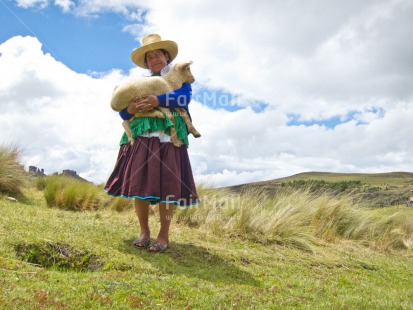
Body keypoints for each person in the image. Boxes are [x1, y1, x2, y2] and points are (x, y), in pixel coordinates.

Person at [104, 34, 199, 252]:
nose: (154, 59)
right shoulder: (139, 84)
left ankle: (163, 235)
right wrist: (132, 110)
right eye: (149, 57)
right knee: (140, 184)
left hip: (169, 135)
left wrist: (158, 100)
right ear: (147, 63)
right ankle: (144, 232)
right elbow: (123, 114)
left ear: (167, 57)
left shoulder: (178, 77)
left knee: (169, 184)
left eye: (158, 54)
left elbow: (184, 98)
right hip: (142, 136)